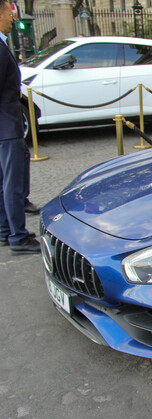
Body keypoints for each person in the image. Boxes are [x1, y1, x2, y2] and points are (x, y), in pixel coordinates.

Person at [0, 0, 40, 255]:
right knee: (12, 185)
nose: (13, 19)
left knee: (3, 182)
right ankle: (18, 237)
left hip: (5, 126)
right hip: (6, 126)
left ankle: (5, 231)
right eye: (9, 13)